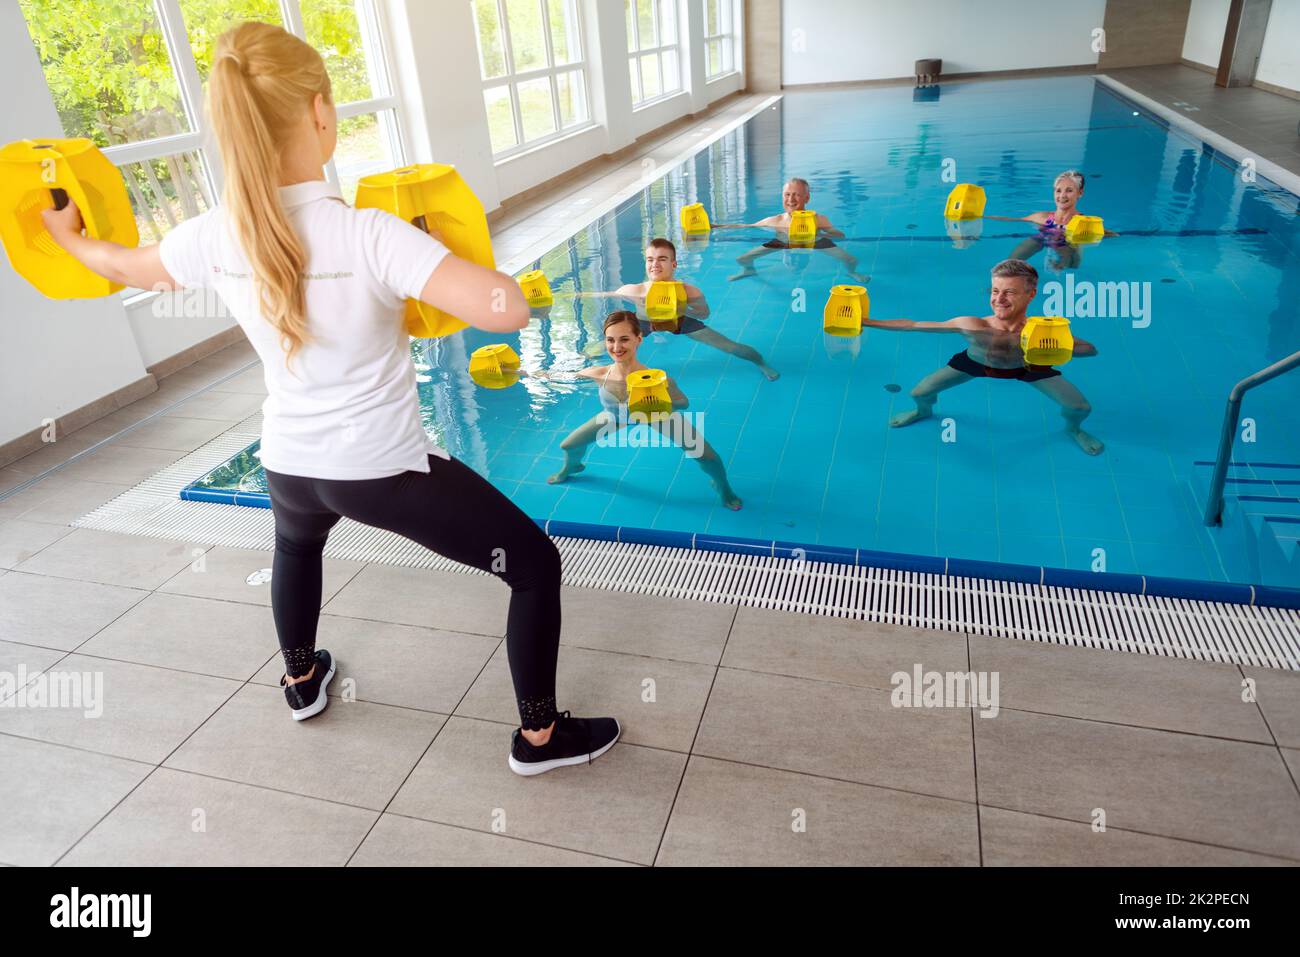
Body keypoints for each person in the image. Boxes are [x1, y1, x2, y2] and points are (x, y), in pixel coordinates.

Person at [40, 22, 618, 776]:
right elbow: (504, 307)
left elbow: (123, 265)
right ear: (319, 113)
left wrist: (63, 234)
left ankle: (301, 679)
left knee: (296, 545)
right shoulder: (369, 234)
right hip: (375, 470)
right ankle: (540, 738)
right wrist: (440, 245)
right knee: (535, 563)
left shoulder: (218, 234)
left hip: (286, 460)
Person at [866, 259, 1103, 455]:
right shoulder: (973, 325)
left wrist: (1058, 347)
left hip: (1028, 366)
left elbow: (1090, 350)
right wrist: (867, 322)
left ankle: (1074, 429)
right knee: (919, 393)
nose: (999, 299)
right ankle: (922, 411)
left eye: (1009, 292)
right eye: (995, 291)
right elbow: (912, 325)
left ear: (1031, 295)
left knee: (1080, 408)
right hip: (976, 363)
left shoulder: (1042, 328)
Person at [538, 311, 743, 510]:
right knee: (568, 445)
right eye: (610, 340)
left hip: (657, 417)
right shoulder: (598, 373)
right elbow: (560, 376)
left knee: (708, 457)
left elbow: (684, 403)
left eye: (624, 339)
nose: (616, 347)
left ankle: (723, 487)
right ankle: (572, 466)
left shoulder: (657, 378)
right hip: (616, 417)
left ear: (639, 339)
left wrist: (658, 404)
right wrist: (523, 372)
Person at [577, 238, 779, 380]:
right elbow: (602, 294)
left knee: (731, 347)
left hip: (682, 322)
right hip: (645, 324)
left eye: (662, 259)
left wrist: (680, 309)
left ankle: (761, 362)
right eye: (650, 259)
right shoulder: (634, 291)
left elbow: (704, 314)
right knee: (608, 343)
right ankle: (582, 363)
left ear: (673, 264)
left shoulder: (690, 292)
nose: (655, 264)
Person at [714, 177, 869, 283]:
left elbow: (840, 236)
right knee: (742, 259)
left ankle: (852, 272)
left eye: (796, 195)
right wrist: (715, 227)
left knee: (851, 260)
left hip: (815, 241)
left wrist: (819, 233)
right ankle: (749, 270)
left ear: (807, 198)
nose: (791, 199)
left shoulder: (818, 219)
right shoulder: (776, 220)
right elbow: (746, 226)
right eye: (787, 195)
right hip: (783, 242)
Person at [986, 169, 1118, 272]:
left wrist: (1112, 234)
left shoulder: (1083, 223)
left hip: (1068, 245)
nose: (1062, 196)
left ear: (1080, 193)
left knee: (1072, 255)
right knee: (1009, 264)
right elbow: (1014, 220)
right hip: (1044, 235)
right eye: (1058, 191)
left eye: (1069, 190)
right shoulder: (1043, 218)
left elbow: (1106, 233)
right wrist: (980, 217)